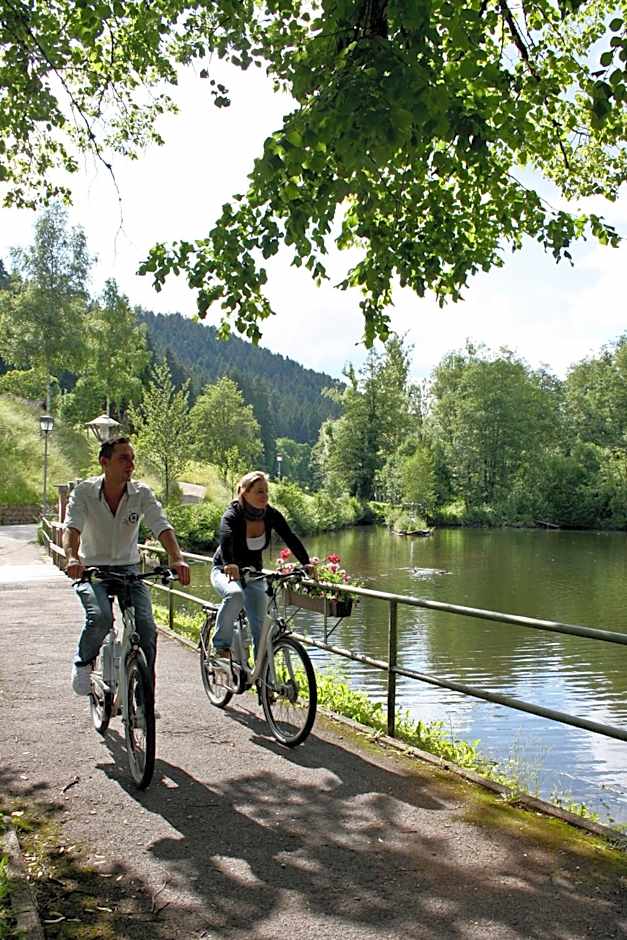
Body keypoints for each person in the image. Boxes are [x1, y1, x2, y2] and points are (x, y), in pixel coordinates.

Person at [63, 436, 191, 695]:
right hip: (93, 570)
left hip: (129, 569)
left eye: (132, 459)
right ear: (104, 462)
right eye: (123, 458)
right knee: (100, 618)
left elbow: (161, 525)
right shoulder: (85, 492)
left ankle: (145, 694)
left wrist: (176, 557)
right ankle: (83, 662)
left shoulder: (141, 493)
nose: (130, 465)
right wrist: (73, 558)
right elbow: (72, 530)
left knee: (145, 627)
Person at [211, 470, 310, 657]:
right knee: (235, 595)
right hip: (224, 570)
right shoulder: (233, 514)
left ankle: (264, 679)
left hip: (253, 574)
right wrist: (230, 563)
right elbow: (226, 536)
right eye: (259, 492)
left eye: (266, 492)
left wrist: (306, 563)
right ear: (245, 493)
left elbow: (290, 537)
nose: (264, 496)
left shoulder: (270, 514)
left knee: (261, 627)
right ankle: (221, 647)